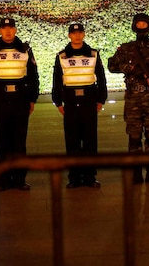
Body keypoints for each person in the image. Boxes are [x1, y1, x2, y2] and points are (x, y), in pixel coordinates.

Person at [107, 13, 149, 185]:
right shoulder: (127, 49)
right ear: (135, 27)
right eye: (139, 24)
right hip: (134, 97)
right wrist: (127, 68)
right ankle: (136, 173)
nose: (142, 27)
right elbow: (112, 64)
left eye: (145, 24)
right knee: (134, 137)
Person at [0, 17, 39, 191]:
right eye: (4, 28)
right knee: (3, 142)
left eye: (11, 28)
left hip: (20, 101)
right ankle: (4, 180)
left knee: (19, 143)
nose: (8, 31)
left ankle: (19, 179)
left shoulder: (25, 50)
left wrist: (32, 99)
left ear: (15, 30)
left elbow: (33, 76)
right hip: (0, 100)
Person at [51, 23, 108, 188]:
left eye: (79, 33)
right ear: (69, 35)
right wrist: (58, 102)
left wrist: (101, 100)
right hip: (69, 102)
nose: (76, 36)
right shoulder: (62, 56)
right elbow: (57, 79)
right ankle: (74, 177)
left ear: (83, 34)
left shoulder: (93, 54)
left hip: (89, 102)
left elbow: (101, 78)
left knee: (90, 141)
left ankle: (90, 176)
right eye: (73, 33)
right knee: (72, 141)